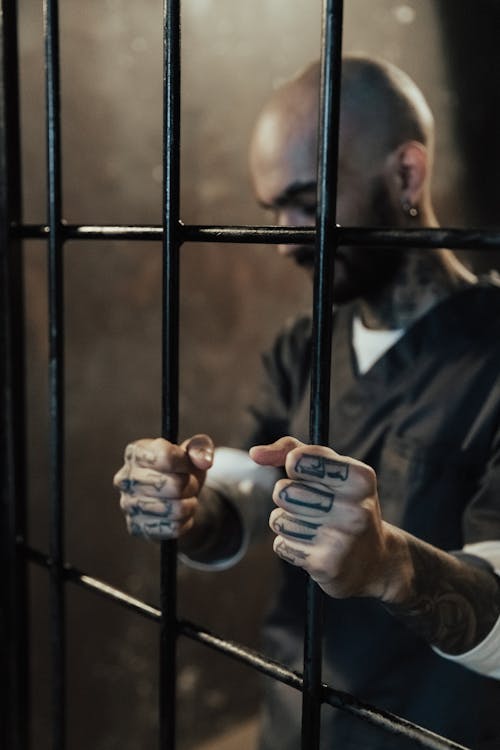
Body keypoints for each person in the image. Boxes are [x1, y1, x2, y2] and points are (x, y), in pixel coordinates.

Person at [113, 56, 500, 749]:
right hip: (294, 724)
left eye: (308, 202)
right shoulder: (304, 347)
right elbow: (242, 493)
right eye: (274, 212)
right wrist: (185, 506)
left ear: (406, 176)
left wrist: (388, 565)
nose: (288, 239)